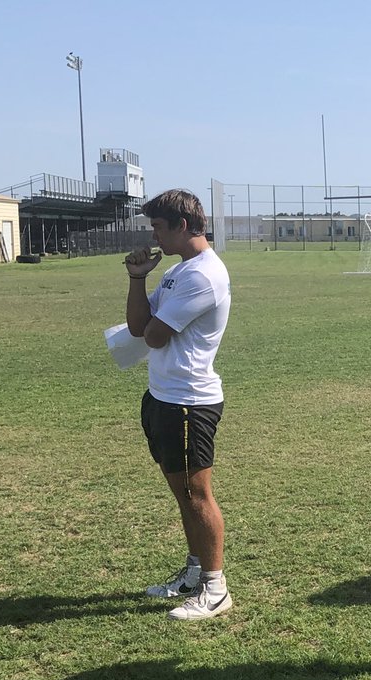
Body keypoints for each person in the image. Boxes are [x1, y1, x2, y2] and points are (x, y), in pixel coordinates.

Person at [124, 189, 233, 621]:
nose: (153, 236)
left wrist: (151, 321)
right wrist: (137, 277)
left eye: (158, 228)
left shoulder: (203, 275)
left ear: (182, 226)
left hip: (189, 401)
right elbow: (138, 327)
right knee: (182, 494)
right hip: (163, 396)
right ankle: (193, 574)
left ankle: (215, 588)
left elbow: (154, 335)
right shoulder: (177, 270)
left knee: (196, 494)